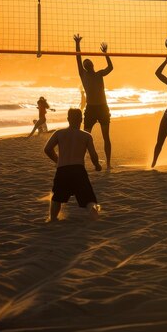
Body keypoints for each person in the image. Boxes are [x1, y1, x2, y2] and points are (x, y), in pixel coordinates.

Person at [44, 108, 101, 221]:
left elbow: (47, 149)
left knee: (57, 198)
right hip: (78, 170)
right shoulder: (86, 136)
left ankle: (53, 218)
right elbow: (93, 155)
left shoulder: (59, 133)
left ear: (68, 119)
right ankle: (94, 215)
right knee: (88, 199)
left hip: (63, 170)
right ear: (81, 119)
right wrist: (97, 165)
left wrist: (58, 160)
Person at [74, 34, 113, 170]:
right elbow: (78, 58)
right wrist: (77, 44)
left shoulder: (99, 74)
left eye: (88, 63)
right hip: (91, 109)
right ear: (85, 67)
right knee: (85, 137)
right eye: (85, 64)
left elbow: (110, 68)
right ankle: (81, 163)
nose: (86, 64)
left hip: (102, 108)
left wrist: (106, 54)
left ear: (92, 65)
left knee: (106, 137)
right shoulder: (83, 74)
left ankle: (108, 164)